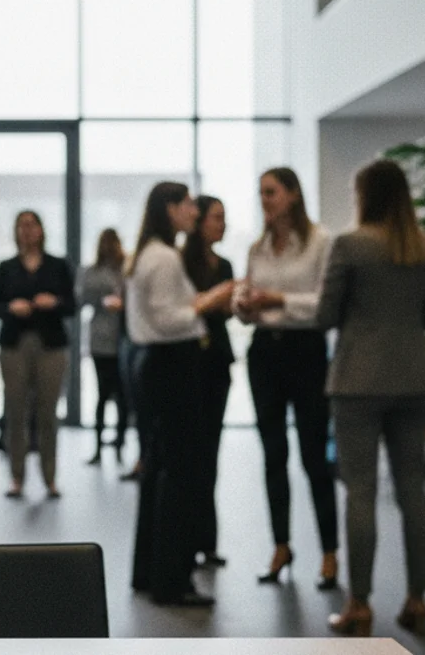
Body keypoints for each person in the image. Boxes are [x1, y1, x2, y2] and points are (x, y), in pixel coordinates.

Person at [321, 160, 425, 637]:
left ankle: (359, 604)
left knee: (361, 490)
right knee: (413, 489)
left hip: (358, 381)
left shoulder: (350, 245)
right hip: (414, 378)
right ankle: (417, 600)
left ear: (364, 195)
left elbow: (326, 315)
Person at [126, 182, 234, 607]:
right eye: (188, 203)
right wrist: (209, 303)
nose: (194, 209)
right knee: (180, 474)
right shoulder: (166, 257)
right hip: (171, 366)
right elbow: (171, 318)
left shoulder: (147, 254)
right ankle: (172, 580)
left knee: (158, 469)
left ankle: (149, 573)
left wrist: (204, 300)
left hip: (153, 365)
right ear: (171, 209)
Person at [234, 167, 340, 590]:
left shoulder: (321, 243)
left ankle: (330, 553)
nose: (265, 201)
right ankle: (281, 546)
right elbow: (247, 297)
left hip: (306, 353)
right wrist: (245, 306)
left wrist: (277, 299)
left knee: (315, 457)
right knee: (273, 454)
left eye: (272, 192)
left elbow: (324, 306)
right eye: (261, 193)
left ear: (294, 195)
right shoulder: (258, 247)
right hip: (264, 352)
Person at [0, 210, 75, 499]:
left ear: (41, 229)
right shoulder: (7, 267)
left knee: (47, 413)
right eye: (21, 226)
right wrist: (11, 307)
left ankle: (50, 477)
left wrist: (54, 302)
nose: (26, 231)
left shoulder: (58, 265)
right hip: (15, 344)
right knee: (16, 410)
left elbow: (71, 305)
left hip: (50, 344)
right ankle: (17, 476)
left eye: (31, 225)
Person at [182, 196, 235, 569]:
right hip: (189, 363)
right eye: (217, 218)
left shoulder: (226, 263)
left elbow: (223, 308)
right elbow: (187, 308)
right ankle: (187, 537)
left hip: (217, 359)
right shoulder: (180, 262)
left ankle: (207, 539)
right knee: (191, 453)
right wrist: (210, 301)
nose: (223, 225)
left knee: (211, 452)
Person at [80, 228, 128, 465]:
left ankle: (119, 444)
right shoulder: (91, 272)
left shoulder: (127, 269)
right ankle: (98, 447)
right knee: (103, 394)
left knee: (122, 397)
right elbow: (82, 299)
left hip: (123, 338)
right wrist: (103, 300)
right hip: (101, 340)